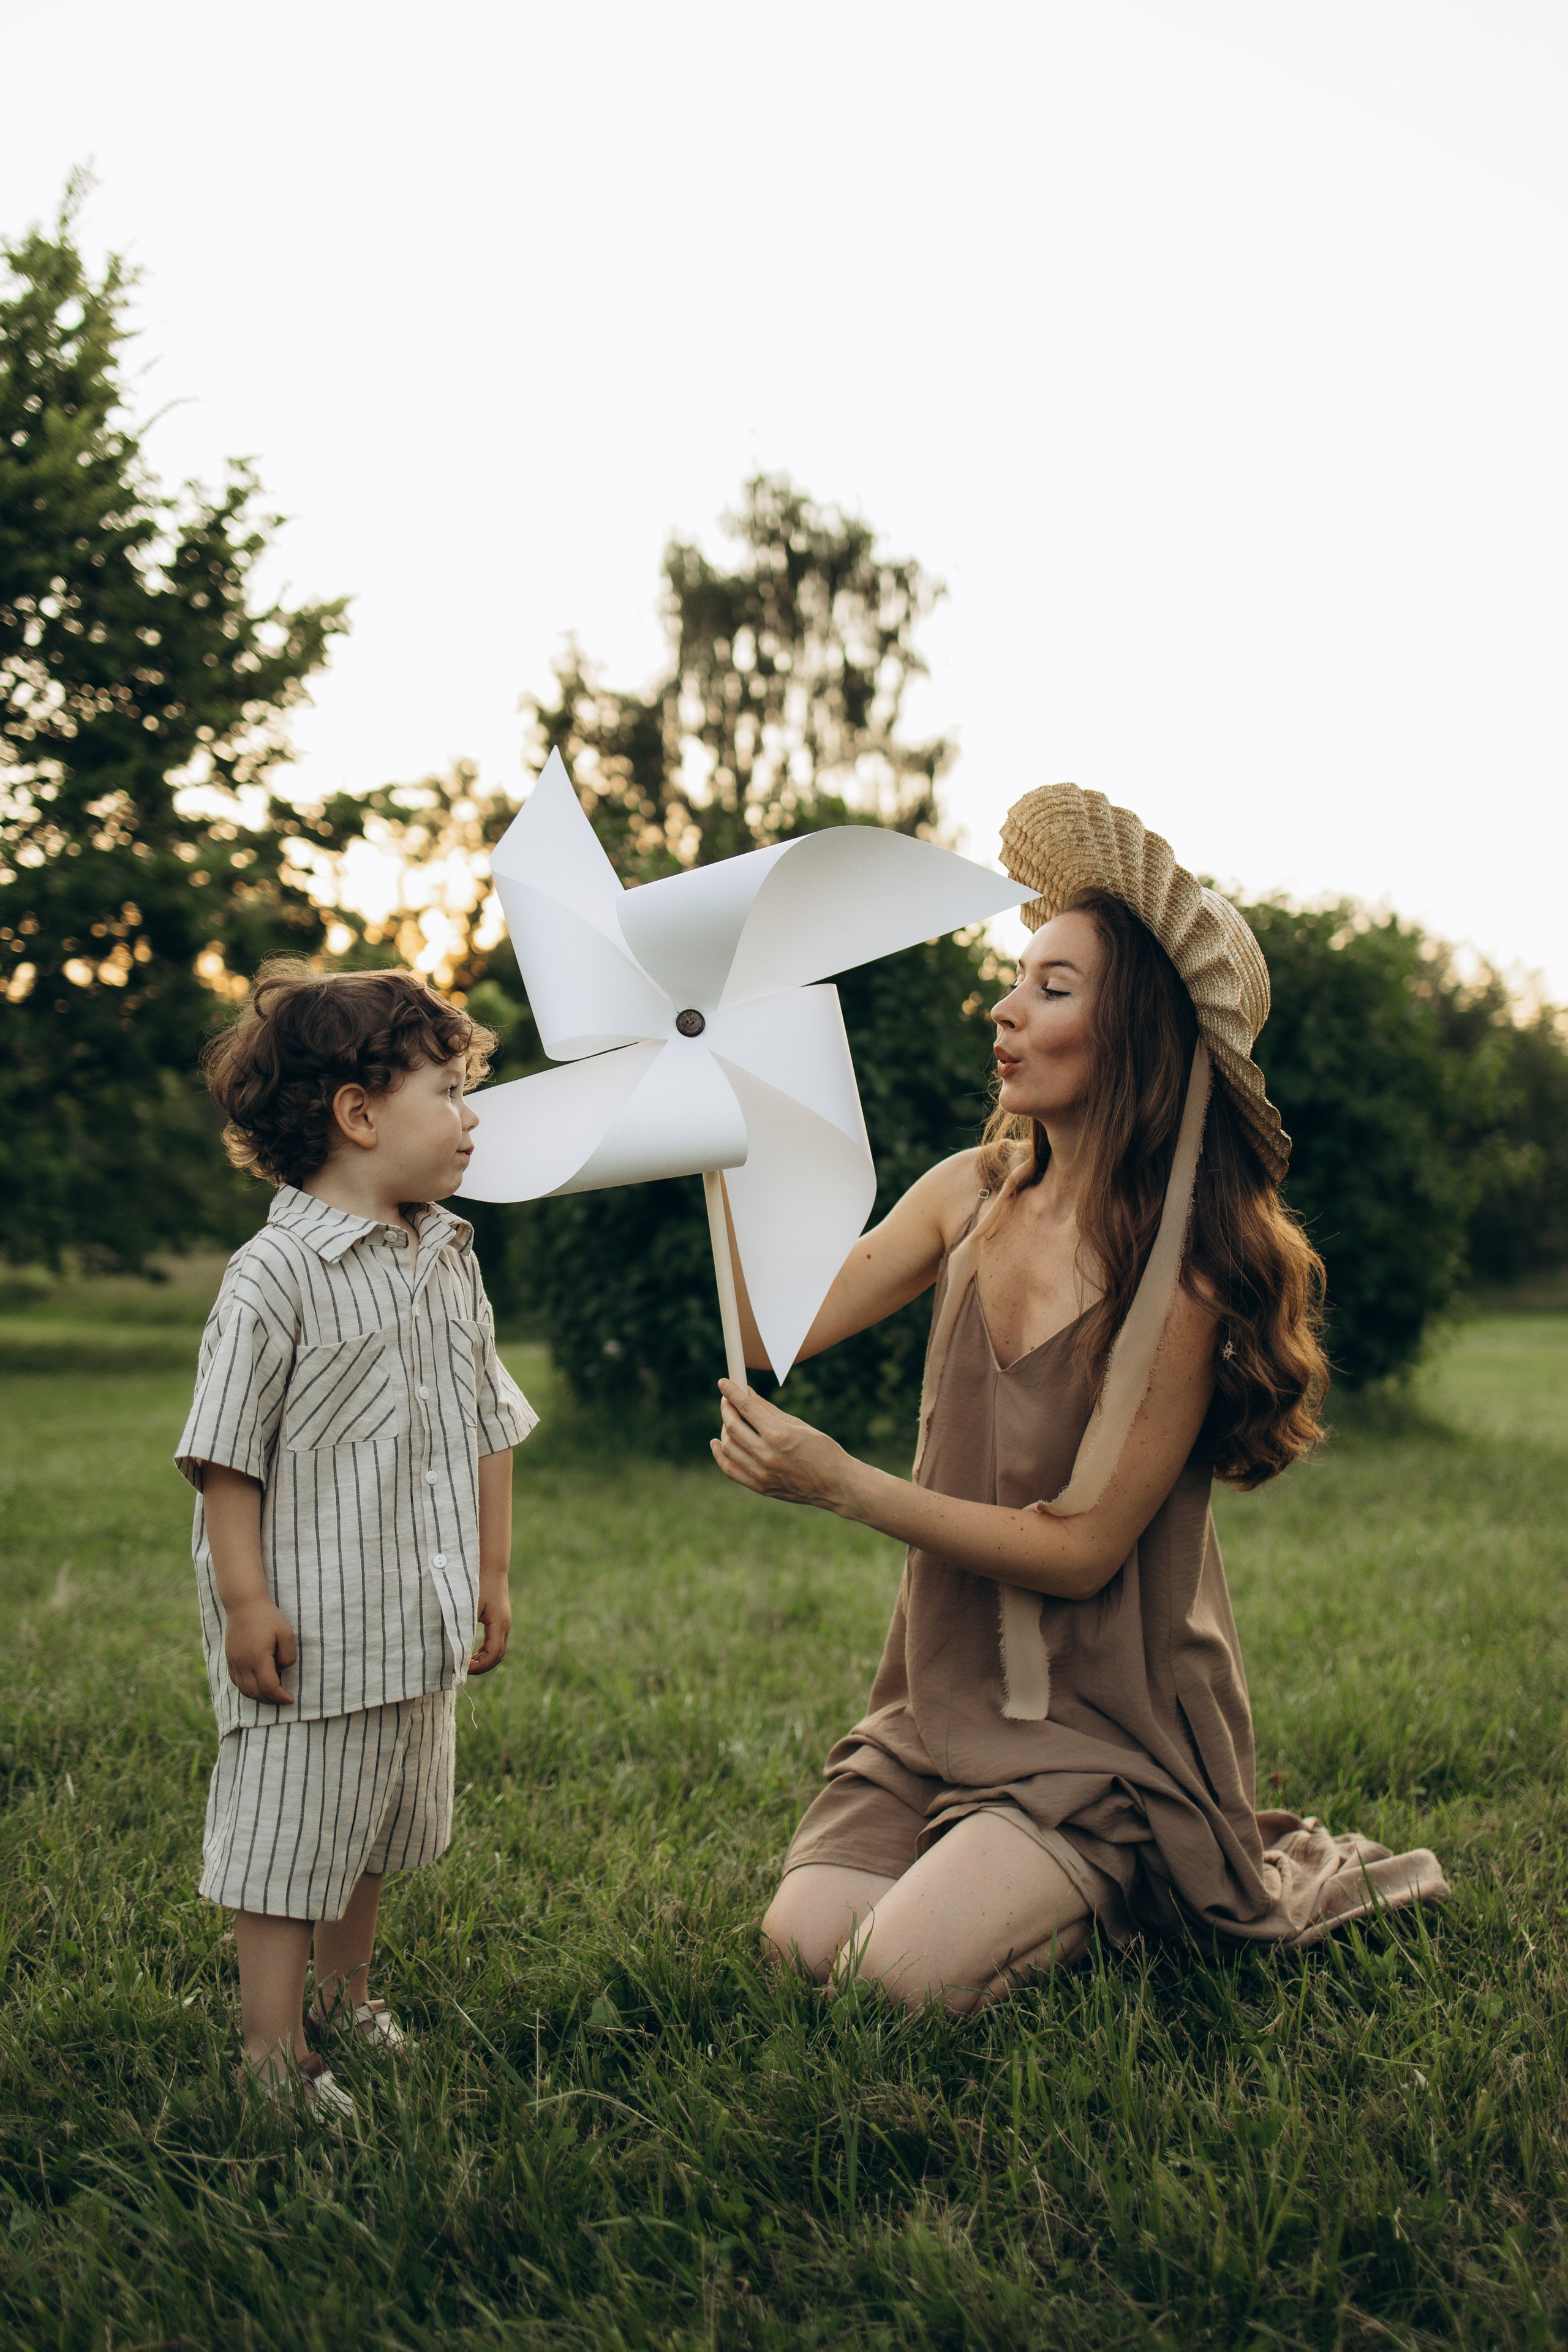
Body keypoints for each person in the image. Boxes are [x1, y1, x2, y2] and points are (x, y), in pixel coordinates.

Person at [712, 785, 1449, 2013]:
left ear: (1137, 1037)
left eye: (1051, 988)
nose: (1003, 1009)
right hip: (937, 1707)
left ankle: (1129, 1876)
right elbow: (760, 1328)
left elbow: (1077, 1550)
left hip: (1097, 1732)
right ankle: (993, 1869)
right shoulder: (966, 1190)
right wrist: (722, 1114)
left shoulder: (1187, 1273)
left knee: (892, 1984)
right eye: (1015, 979)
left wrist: (840, 1484)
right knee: (800, 1957)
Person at [176, 963, 536, 2117]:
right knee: (291, 1838)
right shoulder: (273, 1276)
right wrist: (245, 1602)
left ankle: (346, 1997)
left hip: (414, 1610)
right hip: (313, 1626)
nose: (473, 1117)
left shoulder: (450, 1258)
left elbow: (488, 1424)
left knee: (375, 1821)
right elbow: (226, 1453)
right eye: (450, 1089)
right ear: (359, 1112)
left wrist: (490, 1573)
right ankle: (273, 2052)